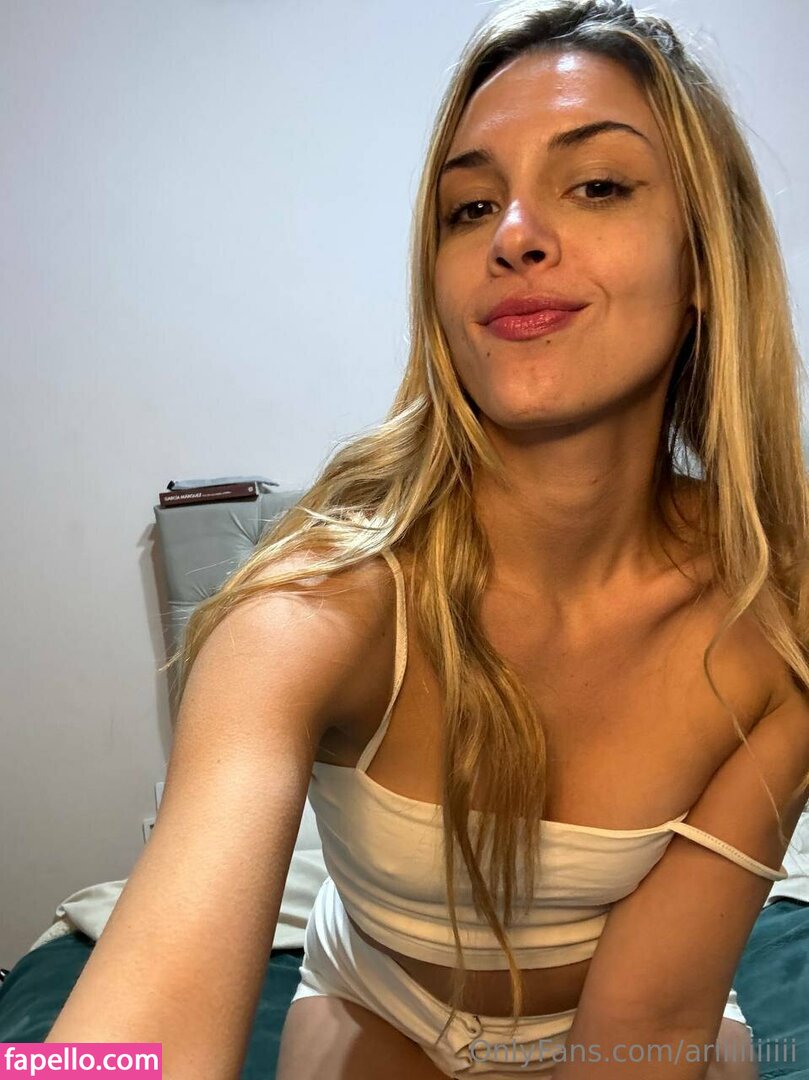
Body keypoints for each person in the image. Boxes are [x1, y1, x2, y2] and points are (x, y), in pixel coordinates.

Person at [45, 1, 809, 1078]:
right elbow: (130, 1044)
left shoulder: (773, 609)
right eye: (469, 206)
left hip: (641, 1018)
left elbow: (654, 1012)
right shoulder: (316, 603)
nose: (513, 235)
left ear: (702, 265)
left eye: (596, 185)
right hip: (381, 1007)